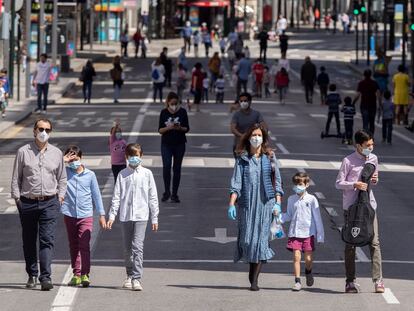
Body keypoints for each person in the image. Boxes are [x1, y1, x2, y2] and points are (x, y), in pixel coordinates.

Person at [11, 118, 67, 290]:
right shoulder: (23, 152)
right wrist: (18, 199)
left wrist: (60, 197)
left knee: (46, 240)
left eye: (47, 130)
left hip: (50, 203)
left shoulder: (56, 153)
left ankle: (45, 277)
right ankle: (32, 274)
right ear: (34, 130)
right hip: (27, 202)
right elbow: (16, 179)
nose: (44, 133)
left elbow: (62, 178)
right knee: (28, 240)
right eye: (41, 129)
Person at [228, 123, 283, 291]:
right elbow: (236, 184)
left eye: (259, 135)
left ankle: (255, 281)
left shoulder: (270, 158)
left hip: (266, 205)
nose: (256, 138)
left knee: (260, 242)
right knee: (247, 240)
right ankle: (252, 272)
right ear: (248, 137)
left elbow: (278, 184)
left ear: (263, 138)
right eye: (253, 135)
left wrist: (278, 204)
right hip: (246, 206)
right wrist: (232, 203)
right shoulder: (242, 159)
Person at [335, 129, 384, 294]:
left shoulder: (374, 159)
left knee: (374, 243)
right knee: (350, 245)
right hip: (351, 208)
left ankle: (378, 280)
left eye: (372, 144)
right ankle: (350, 281)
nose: (371, 147)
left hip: (369, 207)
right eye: (367, 145)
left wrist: (375, 180)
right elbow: (338, 183)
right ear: (358, 145)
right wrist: (354, 184)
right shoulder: (348, 161)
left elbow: (374, 178)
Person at [107, 143, 159, 291]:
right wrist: (112, 216)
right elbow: (116, 196)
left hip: (142, 216)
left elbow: (152, 196)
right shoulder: (123, 174)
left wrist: (154, 217)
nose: (134, 158)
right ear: (126, 157)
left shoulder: (147, 174)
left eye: (137, 156)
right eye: (131, 156)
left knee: (138, 247)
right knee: (127, 249)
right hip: (125, 216)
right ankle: (129, 275)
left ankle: (137, 278)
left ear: (141, 156)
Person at [61, 146, 106, 287]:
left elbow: (97, 195)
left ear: (81, 158)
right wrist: (62, 161)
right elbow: (51, 169)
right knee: (73, 245)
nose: (73, 162)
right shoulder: (64, 172)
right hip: (69, 213)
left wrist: (102, 214)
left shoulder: (90, 175)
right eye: (71, 160)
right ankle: (76, 274)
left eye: (76, 159)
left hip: (86, 214)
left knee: (84, 244)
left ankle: (85, 274)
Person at [280, 172, 324, 291]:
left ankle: (308, 271)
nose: (297, 187)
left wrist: (320, 235)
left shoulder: (312, 199)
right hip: (295, 233)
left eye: (299, 184)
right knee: (296, 257)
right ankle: (297, 281)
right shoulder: (291, 199)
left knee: (308, 259)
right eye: (295, 184)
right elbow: (288, 215)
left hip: (308, 234)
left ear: (306, 185)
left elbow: (317, 218)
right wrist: (278, 217)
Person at [158, 92, 190, 203]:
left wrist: (179, 128)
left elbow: (187, 128)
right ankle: (167, 192)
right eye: (172, 103)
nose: (174, 105)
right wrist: (169, 128)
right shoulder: (164, 112)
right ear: (168, 103)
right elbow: (160, 130)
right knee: (166, 167)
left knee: (177, 169)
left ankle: (174, 194)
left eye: (176, 103)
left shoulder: (182, 112)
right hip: (166, 144)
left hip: (179, 144)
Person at [353, 69, 380, 135]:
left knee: (365, 123)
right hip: (373, 105)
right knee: (371, 122)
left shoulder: (361, 83)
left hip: (364, 105)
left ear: (364, 75)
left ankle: (366, 138)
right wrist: (380, 104)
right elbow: (378, 94)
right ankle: (371, 138)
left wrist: (353, 103)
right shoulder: (374, 83)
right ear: (371, 75)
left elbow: (358, 95)